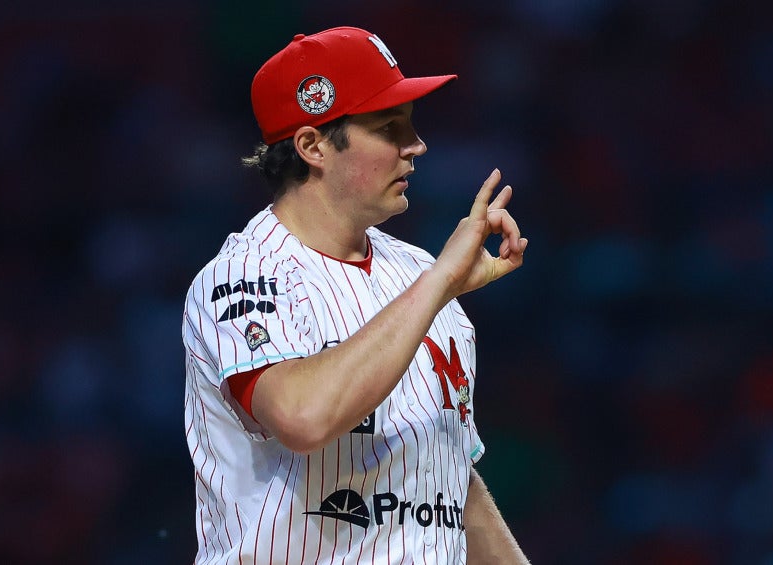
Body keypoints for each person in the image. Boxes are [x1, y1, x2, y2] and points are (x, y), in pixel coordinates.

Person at [182, 26, 530, 564]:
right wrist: (439, 284)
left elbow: (448, 477)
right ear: (312, 146)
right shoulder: (243, 275)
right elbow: (302, 418)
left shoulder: (419, 272)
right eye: (389, 127)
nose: (416, 145)